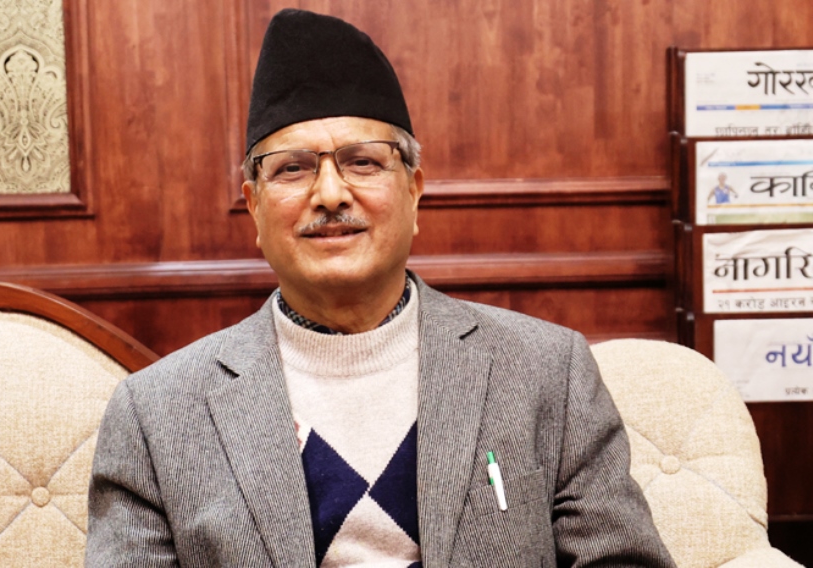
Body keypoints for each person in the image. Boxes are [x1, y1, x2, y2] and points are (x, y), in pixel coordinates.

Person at [87, 8, 675, 567]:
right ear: (254, 208)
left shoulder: (546, 372)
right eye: (292, 168)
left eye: (363, 162)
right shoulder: (156, 414)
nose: (330, 194)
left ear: (414, 191)